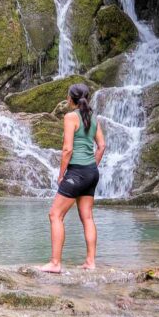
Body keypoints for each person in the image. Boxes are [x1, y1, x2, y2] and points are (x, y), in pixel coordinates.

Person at [39, 83, 105, 273]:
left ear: (70, 98)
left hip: (76, 172)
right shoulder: (94, 118)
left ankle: (55, 263)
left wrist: (61, 174)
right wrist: (92, 166)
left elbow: (67, 149)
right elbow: (102, 146)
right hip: (91, 172)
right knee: (87, 217)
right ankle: (90, 262)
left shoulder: (70, 117)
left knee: (55, 215)